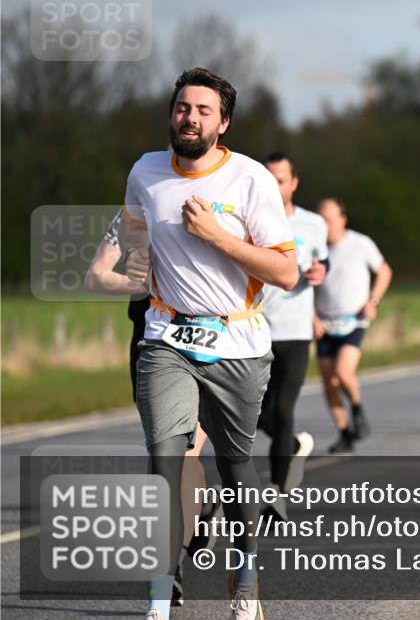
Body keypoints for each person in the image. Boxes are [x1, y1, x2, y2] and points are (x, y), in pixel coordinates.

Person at [123, 68, 298, 620]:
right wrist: (131, 262)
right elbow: (131, 236)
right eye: (183, 107)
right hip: (166, 337)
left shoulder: (249, 179)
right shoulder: (145, 171)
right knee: (165, 460)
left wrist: (217, 237)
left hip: (237, 341)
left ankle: (245, 576)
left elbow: (286, 272)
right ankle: (160, 588)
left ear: (223, 123)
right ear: (171, 114)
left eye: (203, 111)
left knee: (235, 464)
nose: (190, 118)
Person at [86, 209, 221, 609]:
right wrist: (138, 281)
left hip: (208, 339)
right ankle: (195, 519)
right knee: (166, 456)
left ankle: (170, 567)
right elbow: (96, 276)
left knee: (186, 453)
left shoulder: (215, 199)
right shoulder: (132, 211)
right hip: (151, 342)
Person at [258, 153, 329, 508]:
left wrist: (320, 272)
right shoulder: (250, 218)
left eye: (281, 180)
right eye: (268, 179)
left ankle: (277, 492)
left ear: (294, 183)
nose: (274, 186)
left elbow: (322, 261)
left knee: (284, 410)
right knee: (253, 413)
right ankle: (294, 444)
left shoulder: (313, 224)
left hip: (296, 331)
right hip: (256, 331)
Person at [315, 197, 393, 452]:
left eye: (330, 219)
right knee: (329, 383)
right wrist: (312, 317)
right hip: (325, 323)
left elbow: (384, 271)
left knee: (343, 373)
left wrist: (373, 301)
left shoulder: (360, 243)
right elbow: (302, 285)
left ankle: (357, 411)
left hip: (354, 320)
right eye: (321, 220)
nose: (325, 225)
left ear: (343, 219)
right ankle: (344, 433)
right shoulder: (315, 248)